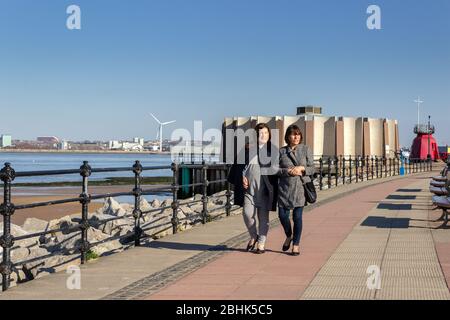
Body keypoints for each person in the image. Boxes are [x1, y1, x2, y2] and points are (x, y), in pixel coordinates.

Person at [238, 123, 278, 254]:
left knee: (263, 218)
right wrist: (242, 177)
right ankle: (253, 236)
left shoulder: (272, 150)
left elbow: (277, 170)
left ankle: (261, 243)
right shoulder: (248, 149)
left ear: (269, 135)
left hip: (265, 190)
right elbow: (241, 167)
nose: (263, 135)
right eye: (260, 133)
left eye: (266, 133)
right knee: (247, 214)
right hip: (250, 190)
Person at [278, 124, 315, 256]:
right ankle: (289, 235)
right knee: (282, 216)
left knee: (297, 217)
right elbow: (274, 170)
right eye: (293, 134)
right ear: (288, 136)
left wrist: (302, 169)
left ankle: (296, 245)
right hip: (284, 189)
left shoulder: (305, 149)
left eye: (298, 134)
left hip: (300, 188)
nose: (296, 137)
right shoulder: (281, 151)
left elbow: (313, 168)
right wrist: (287, 171)